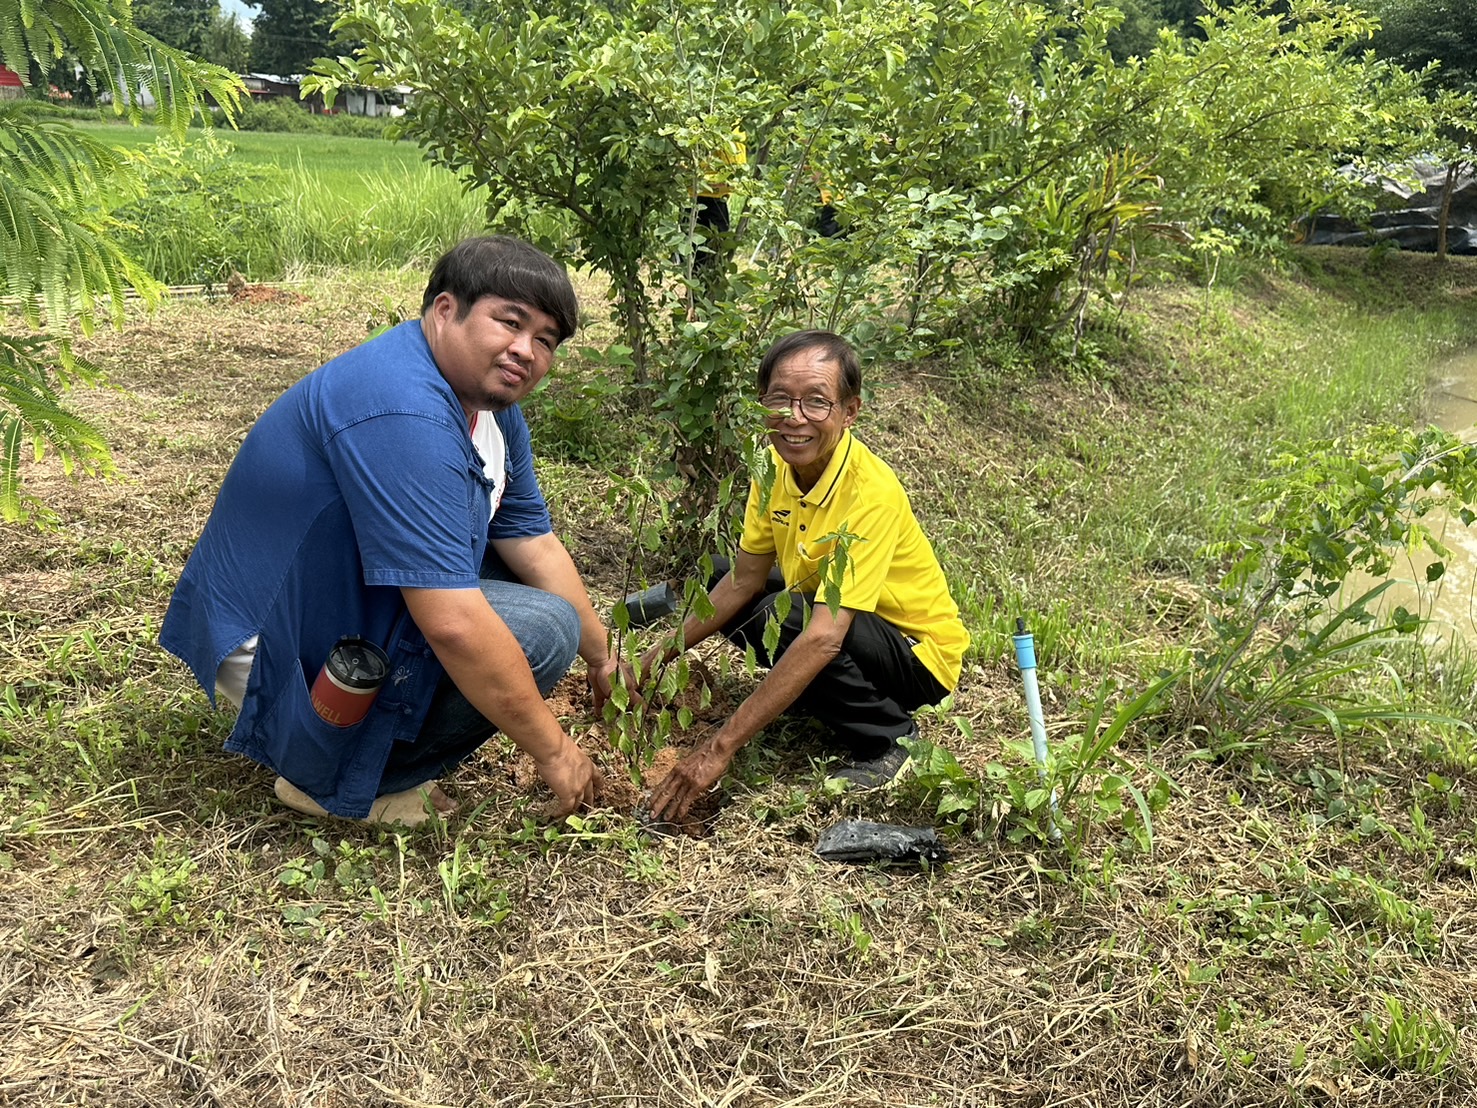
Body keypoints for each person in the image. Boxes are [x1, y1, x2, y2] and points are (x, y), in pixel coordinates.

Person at [162, 236, 621, 825]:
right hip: (269, 640)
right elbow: (454, 624)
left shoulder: (487, 409)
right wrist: (556, 753)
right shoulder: (404, 410)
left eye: (545, 341)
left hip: (328, 593)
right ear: (446, 309)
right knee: (542, 627)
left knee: (514, 580)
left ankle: (357, 741)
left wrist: (602, 658)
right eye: (510, 322)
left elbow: (530, 540)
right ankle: (341, 779)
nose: (524, 351)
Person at [644, 330, 970, 822]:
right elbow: (743, 580)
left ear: (849, 411)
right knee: (720, 578)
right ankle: (814, 693)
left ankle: (891, 739)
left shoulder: (869, 493)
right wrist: (651, 660)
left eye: (816, 402)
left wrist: (719, 747)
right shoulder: (774, 462)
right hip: (840, 615)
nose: (794, 418)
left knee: (795, 624)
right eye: (780, 399)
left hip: (915, 656)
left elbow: (823, 636)